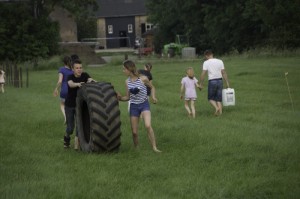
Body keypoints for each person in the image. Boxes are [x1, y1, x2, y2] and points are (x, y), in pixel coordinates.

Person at [117, 60, 161, 153]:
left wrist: (153, 97)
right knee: (134, 132)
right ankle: (137, 149)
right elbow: (127, 97)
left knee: (148, 125)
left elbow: (152, 87)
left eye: (124, 69)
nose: (123, 71)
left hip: (144, 104)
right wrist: (119, 98)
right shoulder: (127, 82)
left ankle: (154, 147)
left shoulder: (143, 78)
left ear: (129, 69)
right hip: (134, 106)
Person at [63, 59, 95, 149]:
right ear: (73, 69)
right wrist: (78, 84)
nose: (79, 70)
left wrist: (91, 80)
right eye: (77, 68)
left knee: (79, 126)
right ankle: (67, 137)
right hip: (70, 105)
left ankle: (76, 146)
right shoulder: (70, 77)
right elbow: (70, 84)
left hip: (79, 106)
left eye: (80, 68)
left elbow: (90, 79)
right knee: (70, 127)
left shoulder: (85, 75)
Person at [199, 50, 230, 116]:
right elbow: (223, 72)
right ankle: (220, 114)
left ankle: (216, 108)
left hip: (212, 81)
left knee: (210, 98)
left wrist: (201, 84)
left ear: (206, 56)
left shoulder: (206, 62)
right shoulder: (220, 61)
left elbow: (203, 73)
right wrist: (227, 83)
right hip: (220, 81)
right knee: (218, 99)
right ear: (212, 54)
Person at [53, 56, 73, 124]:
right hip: (72, 90)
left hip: (64, 90)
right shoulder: (73, 70)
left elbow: (60, 81)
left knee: (62, 104)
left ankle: (66, 117)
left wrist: (56, 89)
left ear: (64, 62)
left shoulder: (61, 69)